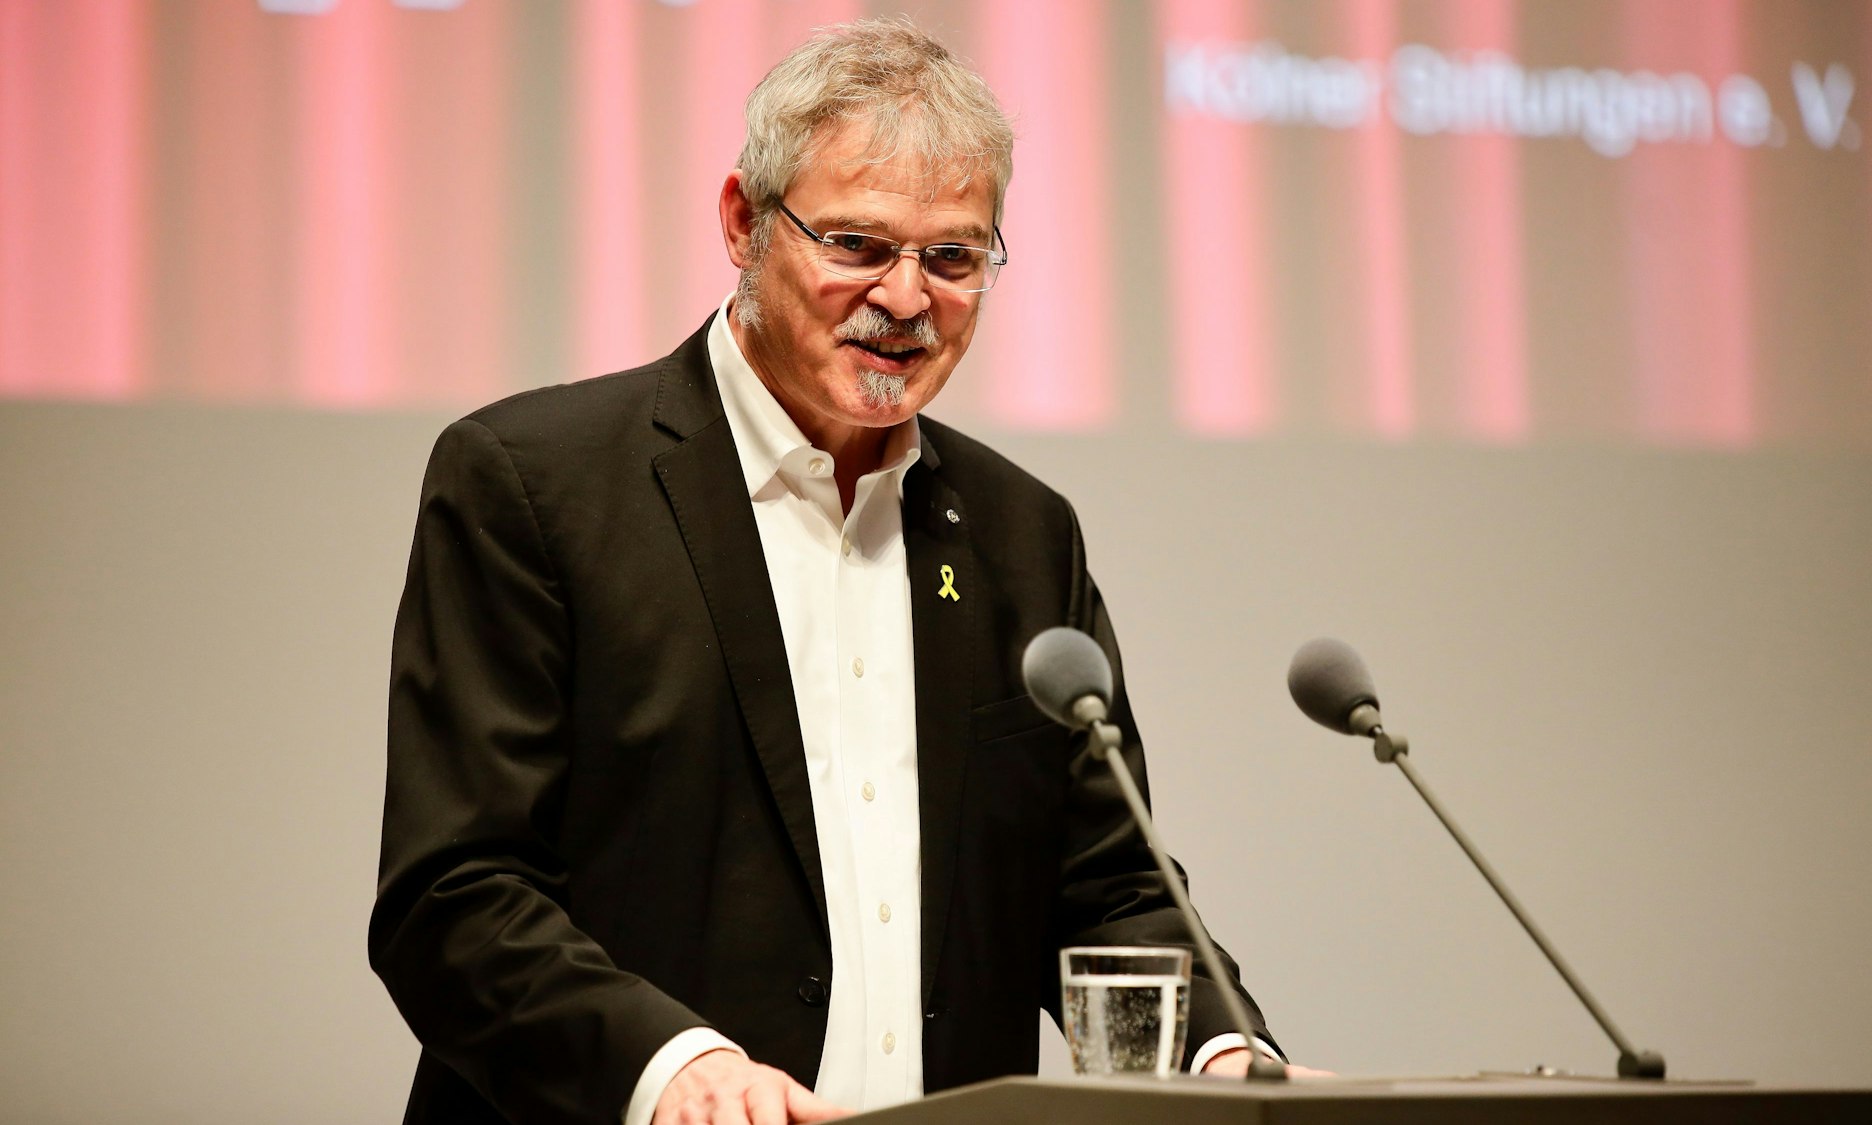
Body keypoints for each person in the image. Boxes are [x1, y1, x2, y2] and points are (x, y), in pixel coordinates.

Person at [371, 19, 1294, 1125]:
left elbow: (1107, 884)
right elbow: (454, 898)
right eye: (856, 245)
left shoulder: (1019, 534)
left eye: (952, 257)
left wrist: (1229, 1062)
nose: (906, 300)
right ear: (740, 223)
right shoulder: (533, 486)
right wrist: (672, 1070)